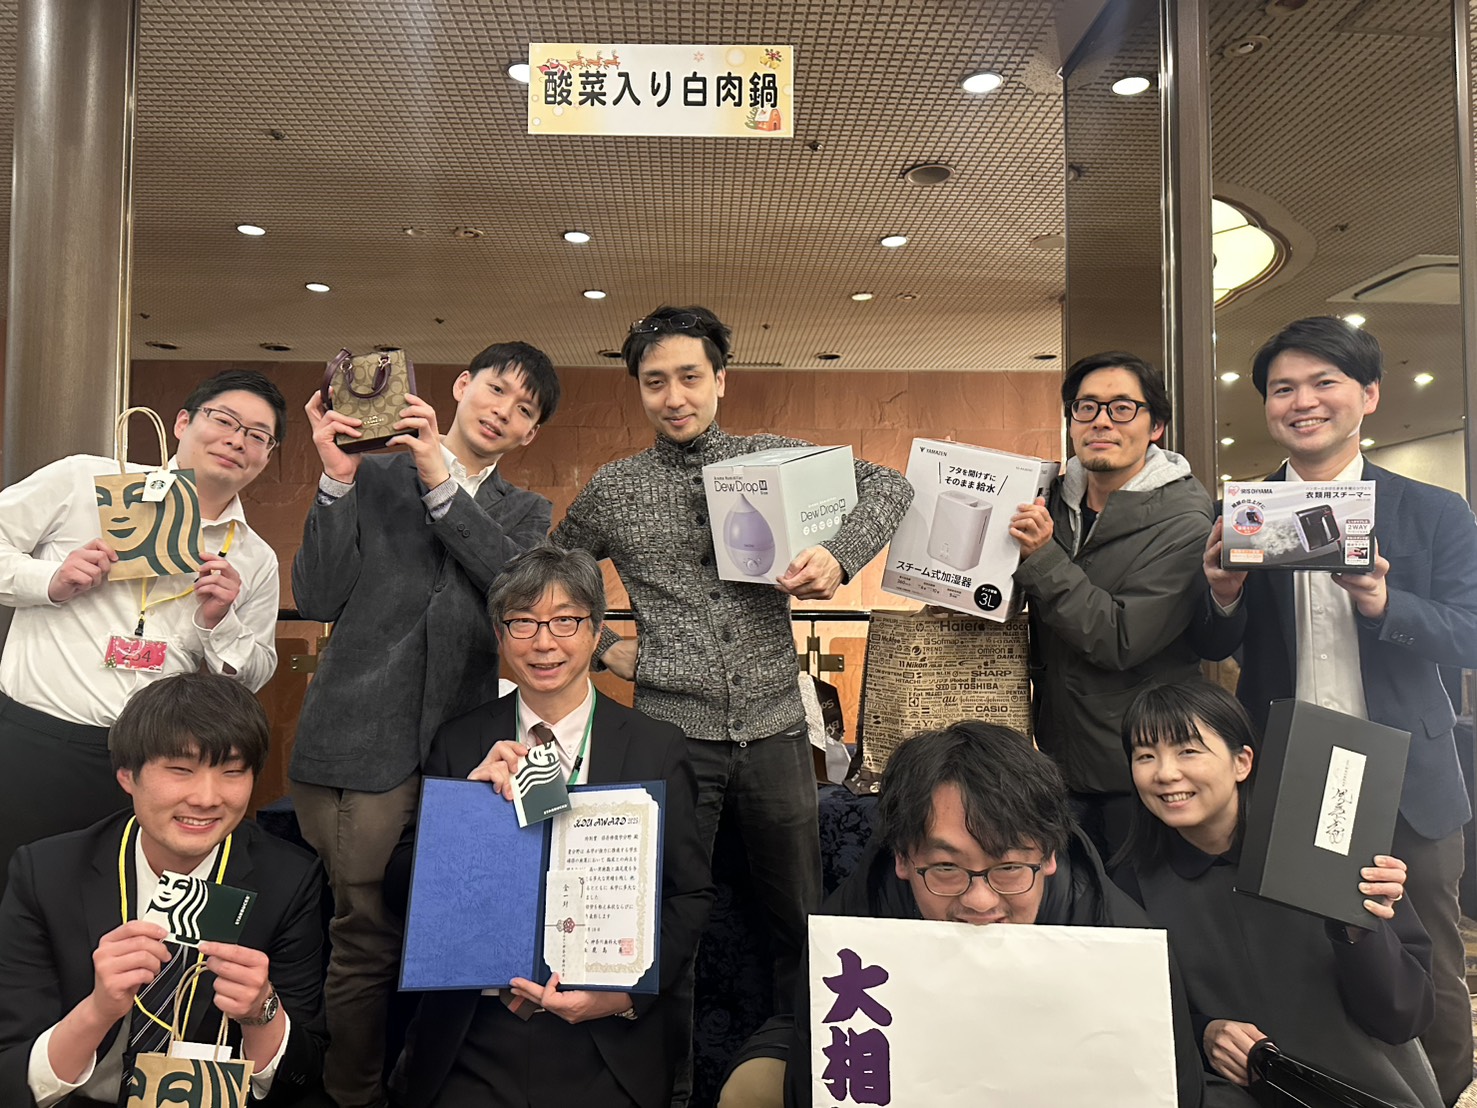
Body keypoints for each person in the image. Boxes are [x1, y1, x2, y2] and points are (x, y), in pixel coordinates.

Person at [551, 305, 913, 1020]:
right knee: (666, 925)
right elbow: (549, 577)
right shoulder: (614, 489)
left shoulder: (771, 460)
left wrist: (836, 556)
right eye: (655, 382)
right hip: (670, 736)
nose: (674, 397)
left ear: (721, 380)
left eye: (690, 377)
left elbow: (889, 487)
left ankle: (798, 1065)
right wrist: (603, 648)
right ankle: (669, 1071)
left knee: (797, 922)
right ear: (639, 390)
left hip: (776, 730)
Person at [1191, 316, 1477, 1105]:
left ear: (1368, 395)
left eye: (1323, 383)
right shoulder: (1245, 510)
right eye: (1283, 388)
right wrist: (1221, 592)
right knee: (1303, 949)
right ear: (1266, 406)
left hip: (1407, 772)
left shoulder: (1431, 511)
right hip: (1289, 766)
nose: (1302, 401)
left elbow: (1469, 632)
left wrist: (1385, 603)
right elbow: (1208, 639)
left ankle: (1441, 1094)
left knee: (1428, 961)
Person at [290, 342, 559, 1108]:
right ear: (462, 386)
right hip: (355, 740)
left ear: (530, 433)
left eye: (524, 409)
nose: (503, 411)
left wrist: (442, 481)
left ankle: (426, 1084)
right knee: (365, 936)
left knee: (454, 928)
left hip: (463, 751)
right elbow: (317, 597)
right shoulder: (371, 476)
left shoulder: (527, 513)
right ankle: (352, 1095)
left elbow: (517, 591)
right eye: (496, 389)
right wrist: (335, 479)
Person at [718, 721, 1228, 1108]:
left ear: (1050, 855)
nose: (980, 902)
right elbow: (820, 1070)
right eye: (946, 868)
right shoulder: (860, 918)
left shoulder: (1119, 937)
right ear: (903, 859)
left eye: (1009, 868)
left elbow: (1176, 1090)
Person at [383, 544, 713, 1108]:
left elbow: (690, 895)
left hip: (604, 1039)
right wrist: (468, 811)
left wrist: (621, 998)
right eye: (523, 622)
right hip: (476, 1031)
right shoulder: (460, 741)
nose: (543, 642)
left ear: (596, 630)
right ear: (499, 634)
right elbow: (398, 891)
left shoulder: (655, 747)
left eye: (565, 621)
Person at [0, 370, 286, 887]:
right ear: (182, 423)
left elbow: (255, 673)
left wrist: (219, 622)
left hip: (161, 764)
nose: (236, 441)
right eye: (224, 421)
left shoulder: (255, 557)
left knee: (127, 905)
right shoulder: (83, 481)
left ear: (266, 457)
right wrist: (51, 580)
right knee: (16, 896)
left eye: (257, 435)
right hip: (39, 741)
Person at [0, 672, 328, 1108]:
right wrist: (98, 1009)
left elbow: (304, 1076)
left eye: (232, 772)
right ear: (127, 775)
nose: (207, 798)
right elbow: (12, 1074)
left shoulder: (288, 879)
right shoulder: (47, 873)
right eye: (180, 770)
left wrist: (261, 1012)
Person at [1115, 679, 1440, 1107]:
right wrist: (1203, 1031)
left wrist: (1359, 923)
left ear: (1242, 762)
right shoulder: (1131, 886)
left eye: (1188, 750)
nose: (1165, 773)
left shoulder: (1327, 851)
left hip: (1369, 1093)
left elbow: (1405, 1018)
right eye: (1145, 756)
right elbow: (1134, 1017)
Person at [1009, 351, 1212, 860]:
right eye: (1086, 407)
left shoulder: (1185, 522)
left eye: (1122, 408)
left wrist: (1043, 558)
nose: (1101, 421)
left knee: (1137, 900)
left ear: (1156, 426)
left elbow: (1120, 638)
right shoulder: (1051, 500)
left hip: (1143, 765)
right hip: (1058, 757)